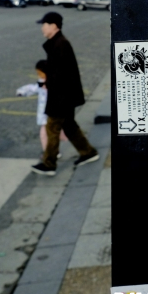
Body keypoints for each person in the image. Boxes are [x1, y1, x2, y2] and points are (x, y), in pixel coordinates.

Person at [30, 12, 99, 176]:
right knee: (69, 126)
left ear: (53, 26)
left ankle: (49, 164)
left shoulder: (60, 44)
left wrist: (53, 93)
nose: (42, 28)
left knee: (52, 127)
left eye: (44, 24)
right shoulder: (57, 43)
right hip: (65, 95)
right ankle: (88, 152)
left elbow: (60, 75)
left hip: (61, 96)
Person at [16, 59, 67, 155]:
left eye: (40, 73)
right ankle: (52, 151)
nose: (38, 75)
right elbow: (33, 88)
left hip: (52, 114)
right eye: (38, 73)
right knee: (50, 133)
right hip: (46, 115)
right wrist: (22, 91)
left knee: (48, 134)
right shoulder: (42, 83)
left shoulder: (55, 83)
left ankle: (51, 152)